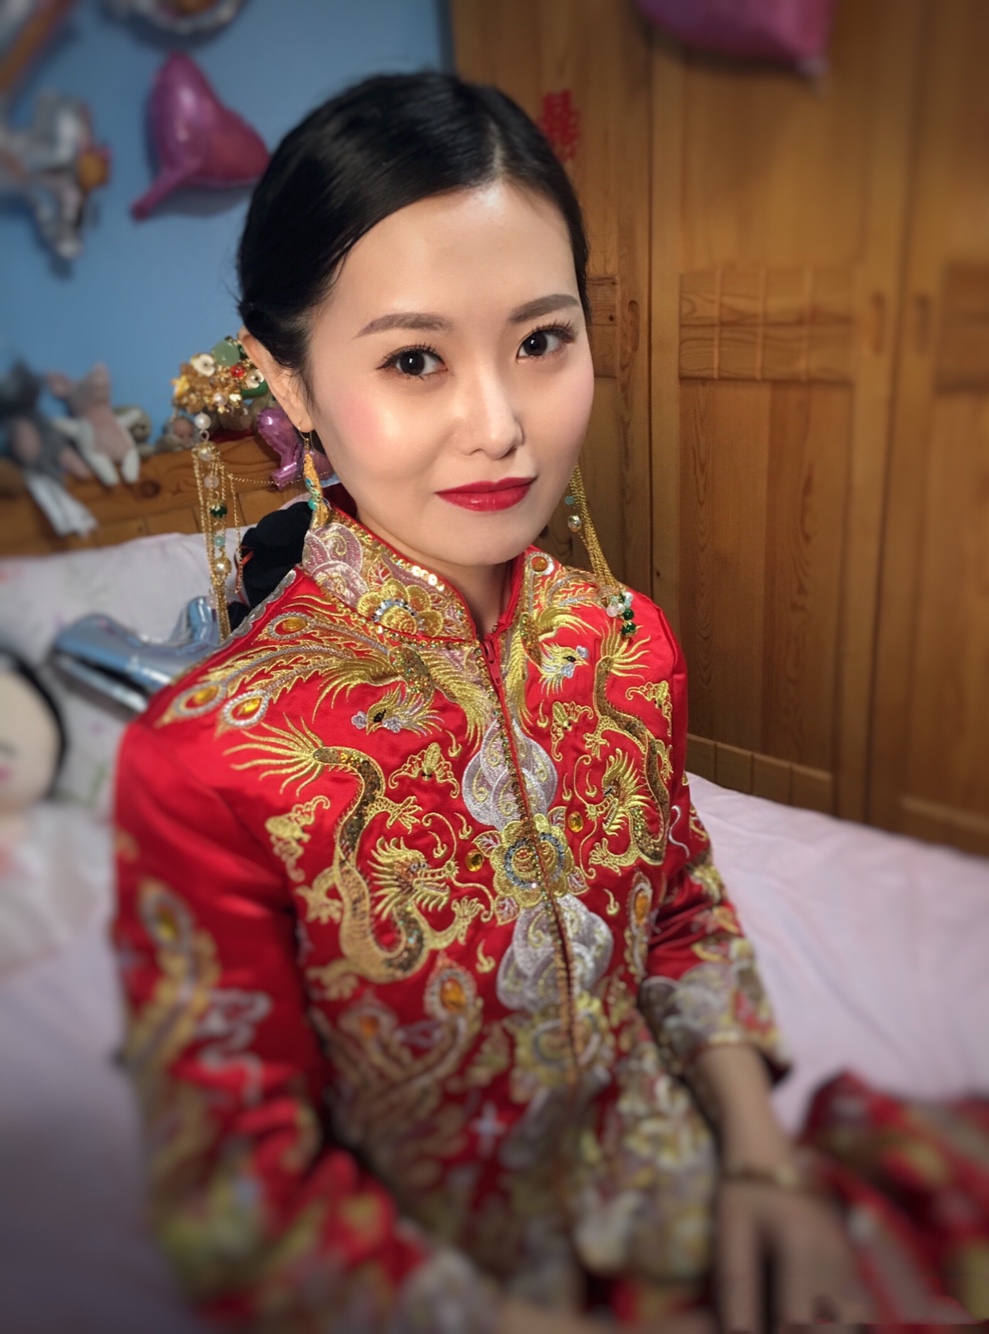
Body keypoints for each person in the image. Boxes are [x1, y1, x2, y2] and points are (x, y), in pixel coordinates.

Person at [113, 72, 872, 1333]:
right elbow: (237, 1193)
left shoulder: (622, 642)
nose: (501, 425)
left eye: (539, 340)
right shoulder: (206, 762)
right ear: (287, 382)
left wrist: (760, 1162)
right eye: (414, 358)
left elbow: (680, 908)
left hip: (681, 1196)